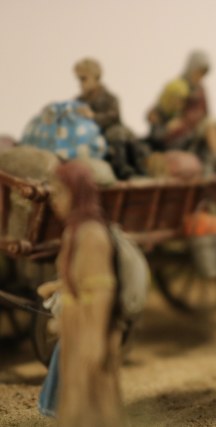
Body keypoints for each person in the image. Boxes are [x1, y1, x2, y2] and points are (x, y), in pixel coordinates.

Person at [37, 161, 125, 426]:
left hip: (89, 330)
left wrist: (94, 342)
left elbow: (101, 292)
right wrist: (57, 288)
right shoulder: (73, 233)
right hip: (75, 330)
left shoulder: (92, 236)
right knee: (74, 399)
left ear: (78, 193)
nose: (54, 200)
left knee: (94, 401)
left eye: (60, 193)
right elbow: (79, 278)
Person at [146, 50, 216, 170]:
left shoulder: (200, 89)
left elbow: (205, 112)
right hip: (181, 130)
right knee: (211, 126)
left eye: (202, 73)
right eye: (198, 72)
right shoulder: (177, 86)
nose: (200, 77)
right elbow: (161, 108)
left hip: (195, 126)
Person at [74, 58, 147, 179]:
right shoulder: (79, 101)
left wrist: (93, 116)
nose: (81, 83)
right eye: (79, 79)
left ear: (96, 78)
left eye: (84, 79)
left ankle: (122, 167)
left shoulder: (110, 98)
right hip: (90, 135)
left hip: (112, 133)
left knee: (117, 133)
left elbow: (113, 117)